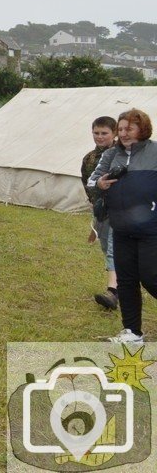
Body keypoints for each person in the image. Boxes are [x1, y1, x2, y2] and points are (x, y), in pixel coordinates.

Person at [88, 108, 157, 343]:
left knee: (150, 276)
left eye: (130, 128)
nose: (124, 133)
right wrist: (100, 183)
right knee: (126, 280)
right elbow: (92, 180)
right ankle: (132, 332)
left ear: (143, 129)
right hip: (121, 228)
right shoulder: (110, 154)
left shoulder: (155, 151)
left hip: (151, 229)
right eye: (121, 128)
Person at [81, 116, 117, 309]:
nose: (100, 137)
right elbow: (88, 186)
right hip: (101, 210)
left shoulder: (123, 154)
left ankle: (113, 293)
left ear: (114, 133)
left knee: (113, 250)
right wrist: (96, 214)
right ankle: (123, 284)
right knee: (106, 249)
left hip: (120, 210)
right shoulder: (89, 159)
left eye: (104, 133)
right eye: (96, 133)